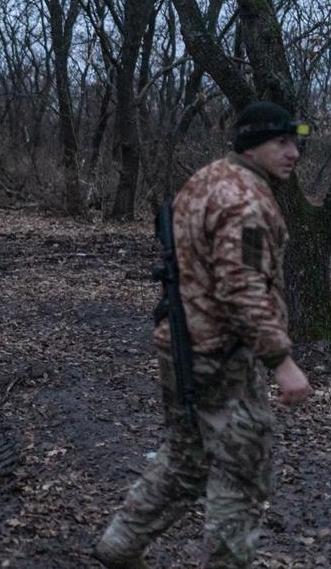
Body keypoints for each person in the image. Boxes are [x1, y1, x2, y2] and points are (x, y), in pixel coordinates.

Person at [94, 101, 314, 569]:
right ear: (252, 145)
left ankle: (120, 545)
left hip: (182, 345)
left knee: (187, 458)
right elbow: (242, 287)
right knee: (241, 471)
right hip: (221, 354)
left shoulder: (209, 179)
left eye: (295, 142)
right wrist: (281, 360)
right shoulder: (246, 201)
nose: (293, 152)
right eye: (281, 142)